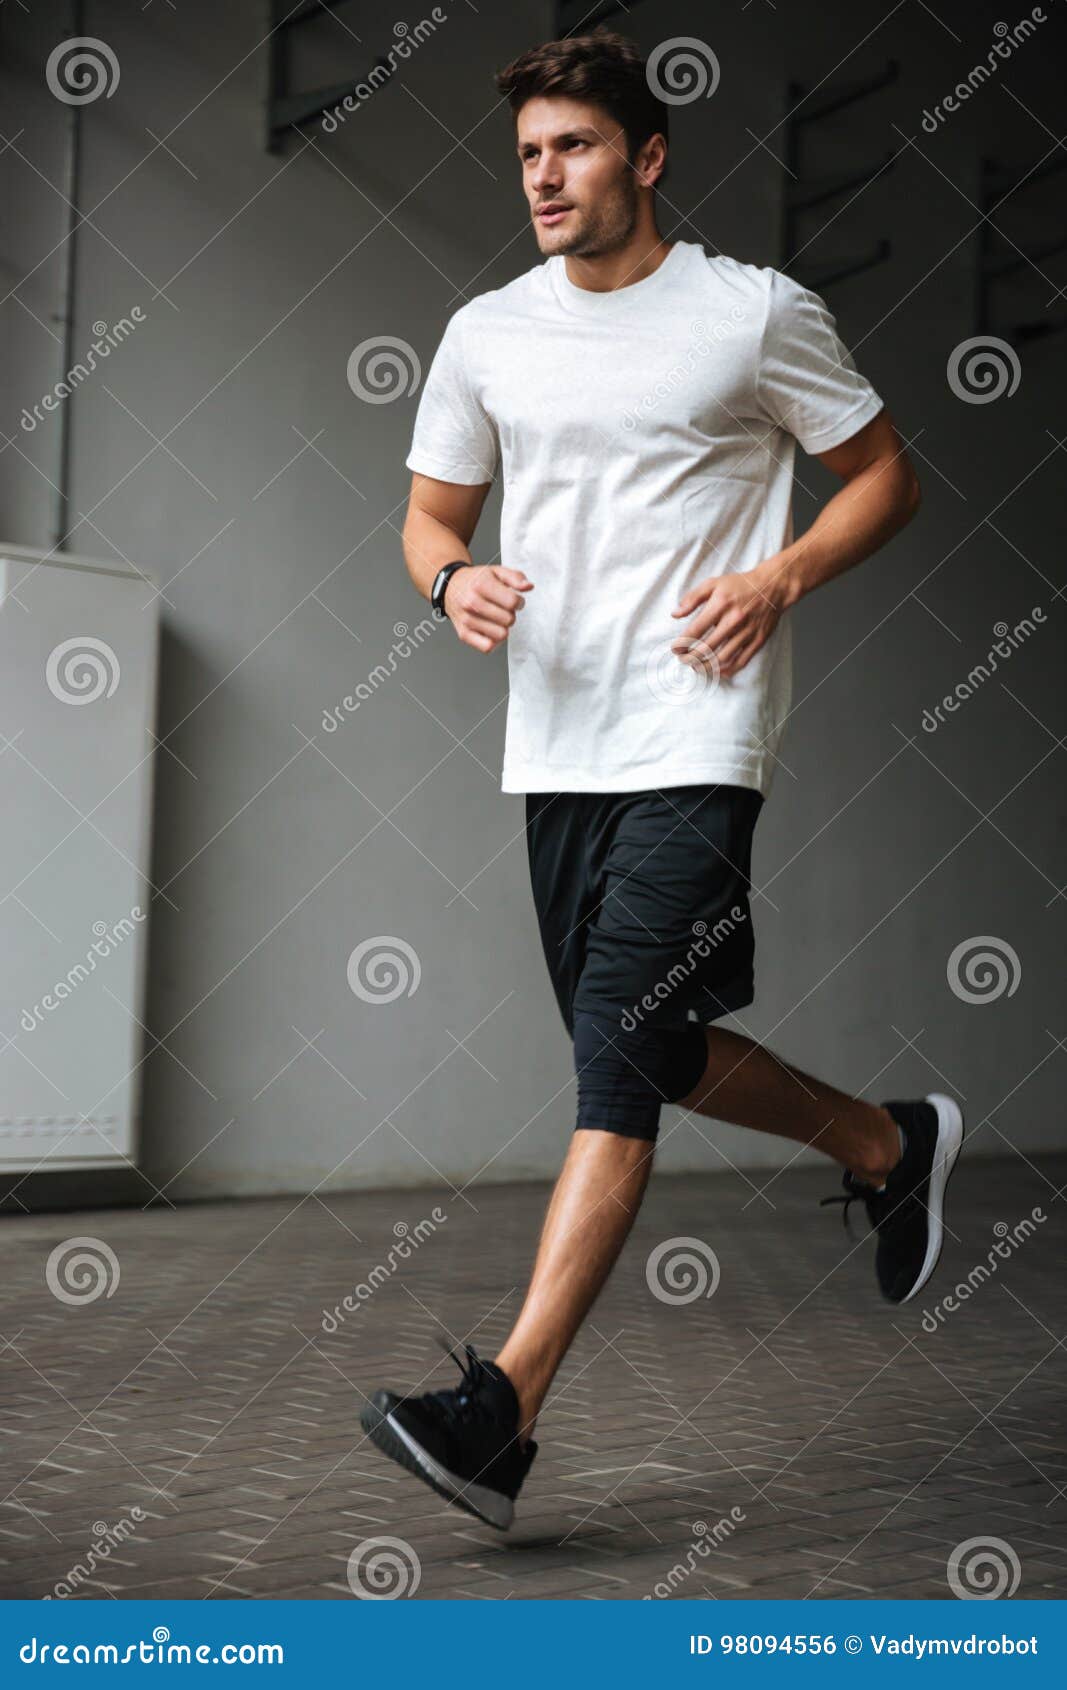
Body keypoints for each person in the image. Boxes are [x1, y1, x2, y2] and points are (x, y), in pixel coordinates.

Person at [361, 27, 964, 1533]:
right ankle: (891, 1142)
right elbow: (428, 520)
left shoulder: (753, 316)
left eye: (570, 148)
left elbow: (885, 471)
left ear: (646, 154)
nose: (543, 179)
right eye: (526, 157)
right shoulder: (489, 329)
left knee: (620, 1036)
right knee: (652, 1044)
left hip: (698, 732)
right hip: (553, 749)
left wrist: (781, 578)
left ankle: (500, 1410)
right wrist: (453, 592)